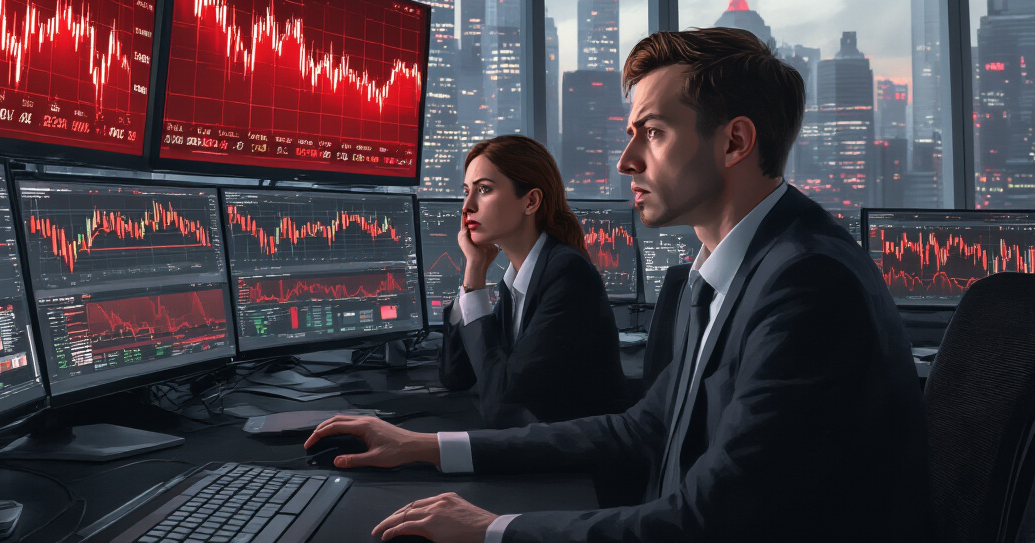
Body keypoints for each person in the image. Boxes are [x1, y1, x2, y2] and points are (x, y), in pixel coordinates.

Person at [306, 28, 929, 543]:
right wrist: (425, 445)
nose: (627, 161)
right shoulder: (721, 272)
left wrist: (494, 530)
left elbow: (710, 520)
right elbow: (641, 428)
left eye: (652, 133)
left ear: (735, 141)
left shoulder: (807, 283)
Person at [438, 135, 628, 428]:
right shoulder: (515, 282)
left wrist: (475, 290)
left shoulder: (567, 273)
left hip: (576, 461)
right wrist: (473, 272)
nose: (467, 206)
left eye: (484, 190)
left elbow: (502, 407)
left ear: (531, 201)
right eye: (466, 192)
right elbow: (456, 376)